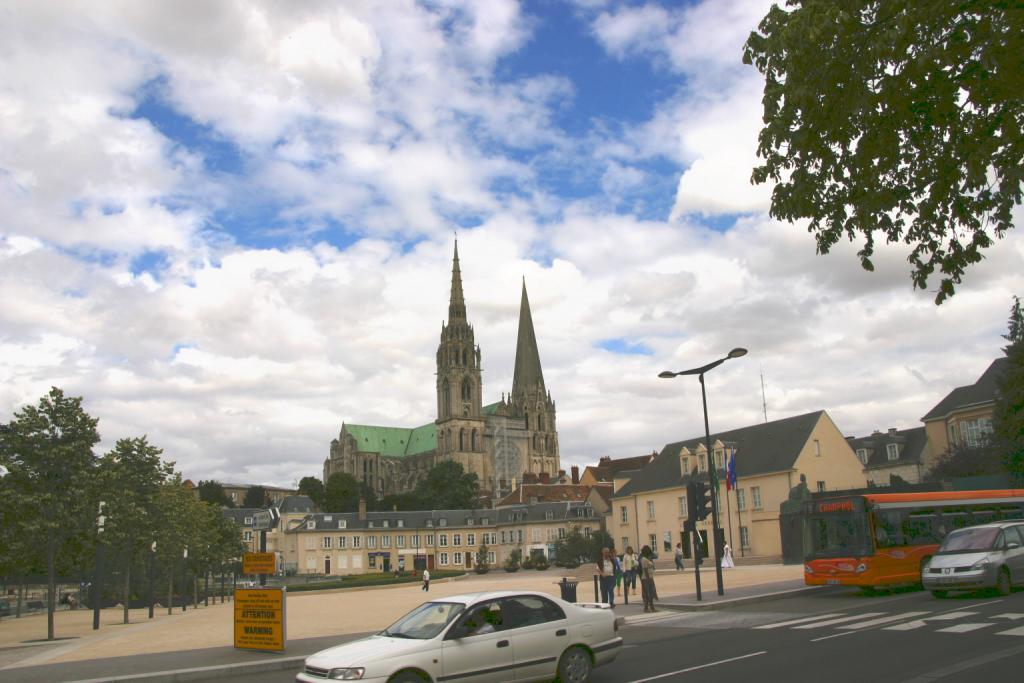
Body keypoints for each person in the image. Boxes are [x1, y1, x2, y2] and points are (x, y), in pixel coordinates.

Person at [640, 545, 658, 613]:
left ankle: (651, 607)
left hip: (649, 577)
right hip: (646, 578)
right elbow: (645, 570)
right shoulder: (644, 559)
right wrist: (648, 579)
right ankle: (647, 608)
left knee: (650, 593)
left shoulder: (646, 559)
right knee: (648, 593)